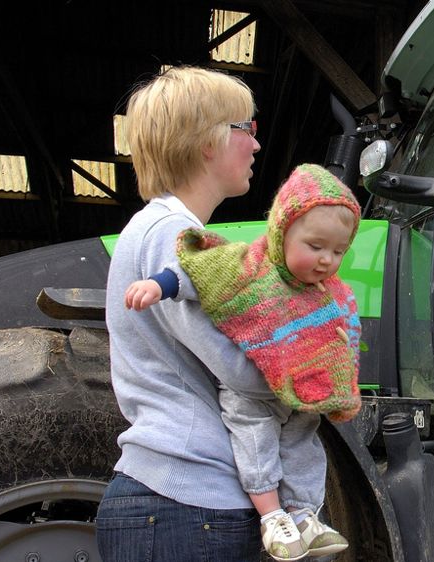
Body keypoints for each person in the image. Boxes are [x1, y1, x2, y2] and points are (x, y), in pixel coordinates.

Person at [98, 66, 348, 562]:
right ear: (207, 141)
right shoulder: (174, 238)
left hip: (175, 504)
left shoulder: (163, 231)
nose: (257, 145)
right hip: (186, 505)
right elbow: (245, 374)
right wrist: (319, 364)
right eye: (247, 129)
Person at [123, 163, 362, 560]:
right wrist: (158, 285)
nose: (326, 260)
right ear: (282, 231)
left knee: (305, 448)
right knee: (255, 442)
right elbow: (198, 271)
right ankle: (272, 517)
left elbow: (345, 340)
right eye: (315, 246)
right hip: (252, 395)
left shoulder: (333, 292)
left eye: (338, 251)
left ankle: (304, 514)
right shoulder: (251, 266)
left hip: (303, 394)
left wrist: (343, 388)